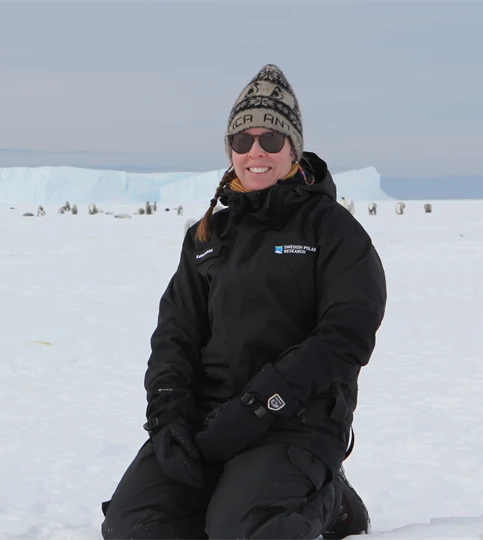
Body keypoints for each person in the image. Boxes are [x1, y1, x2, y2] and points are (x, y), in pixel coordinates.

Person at [100, 64, 388, 540]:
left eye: (271, 140)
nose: (256, 151)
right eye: (242, 140)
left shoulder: (333, 231)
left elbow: (345, 338)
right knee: (135, 527)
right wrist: (168, 414)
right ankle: (228, 491)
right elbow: (176, 333)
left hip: (295, 422)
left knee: (246, 531)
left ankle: (329, 497)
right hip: (206, 421)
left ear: (293, 148)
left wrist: (259, 405)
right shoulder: (207, 235)